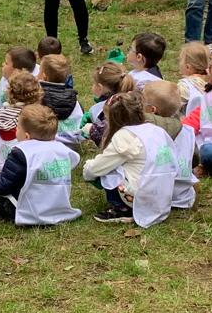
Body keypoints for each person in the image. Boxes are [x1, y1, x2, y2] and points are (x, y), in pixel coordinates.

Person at [83, 91, 194, 225]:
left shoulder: (123, 136)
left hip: (141, 196)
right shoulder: (156, 130)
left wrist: (87, 169)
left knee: (108, 171)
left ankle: (122, 208)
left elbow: (99, 166)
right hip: (163, 194)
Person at [0, 103, 81, 226]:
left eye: (17, 128)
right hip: (59, 208)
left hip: (29, 213)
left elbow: (2, 186)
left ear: (26, 136)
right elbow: (75, 160)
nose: (16, 131)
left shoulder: (21, 153)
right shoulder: (63, 150)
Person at [37, 54, 85, 145]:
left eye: (39, 70)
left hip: (46, 141)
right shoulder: (73, 98)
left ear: (44, 76)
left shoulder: (38, 97)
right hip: (72, 141)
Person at [175, 42, 210, 115]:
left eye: (180, 60)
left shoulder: (184, 86)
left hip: (189, 120)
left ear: (188, 67)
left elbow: (174, 108)